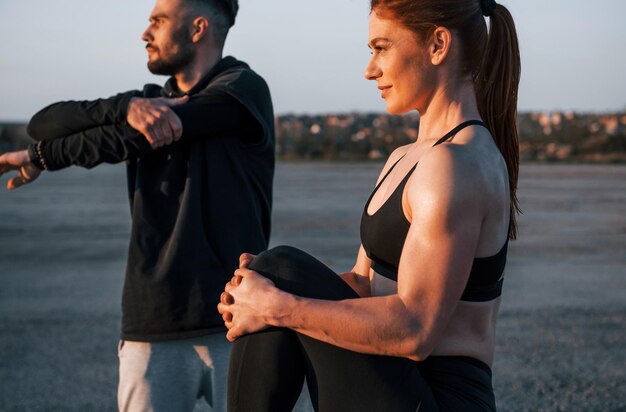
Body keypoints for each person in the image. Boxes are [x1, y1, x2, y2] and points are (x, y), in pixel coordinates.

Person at [217, 0, 520, 410]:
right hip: (392, 378)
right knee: (270, 273)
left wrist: (280, 308)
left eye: (382, 47)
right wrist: (257, 296)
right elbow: (362, 285)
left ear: (437, 45)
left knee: (279, 276)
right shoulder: (406, 158)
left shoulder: (456, 165)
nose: (370, 69)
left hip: (437, 397)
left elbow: (416, 330)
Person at [0, 0, 275, 410]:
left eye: (158, 21)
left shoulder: (242, 90)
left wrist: (42, 157)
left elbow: (136, 138)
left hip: (239, 317)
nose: (145, 33)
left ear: (198, 28)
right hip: (154, 320)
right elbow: (43, 123)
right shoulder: (144, 103)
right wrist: (123, 108)